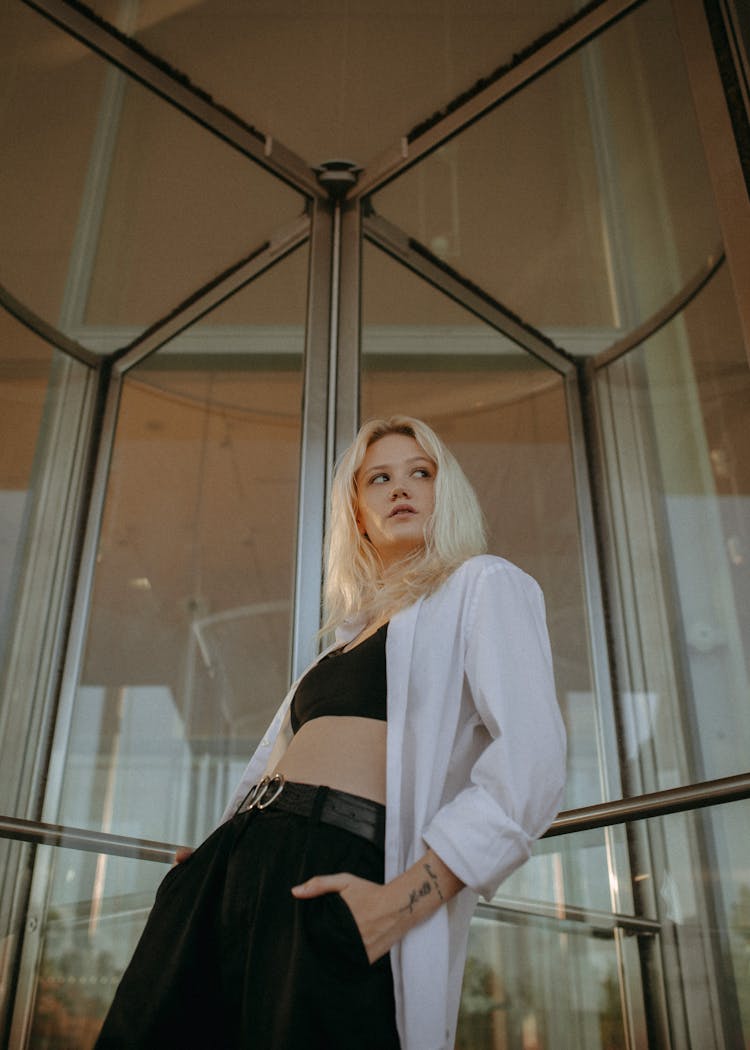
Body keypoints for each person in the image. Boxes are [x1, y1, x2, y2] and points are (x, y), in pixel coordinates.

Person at [96, 415, 566, 1050]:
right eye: (379, 478)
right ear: (357, 510)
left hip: (332, 868)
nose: (400, 487)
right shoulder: (345, 641)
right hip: (231, 868)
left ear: (443, 491)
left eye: (419, 473)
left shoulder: (484, 585)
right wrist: (218, 854)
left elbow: (531, 766)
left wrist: (400, 905)